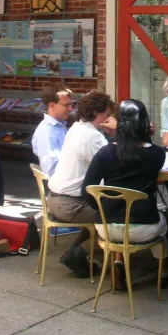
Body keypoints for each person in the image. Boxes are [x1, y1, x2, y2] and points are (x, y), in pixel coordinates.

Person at [82, 99, 168, 290]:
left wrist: (102, 208)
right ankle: (162, 271)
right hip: (143, 226)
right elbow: (145, 152)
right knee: (164, 218)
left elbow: (86, 189)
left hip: (108, 226)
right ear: (145, 123)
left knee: (122, 218)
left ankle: (118, 262)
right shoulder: (157, 154)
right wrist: (148, 137)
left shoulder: (106, 152)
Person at [47, 90, 115, 275]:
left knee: (97, 212)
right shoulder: (93, 137)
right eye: (107, 113)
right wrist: (117, 133)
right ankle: (78, 253)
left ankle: (74, 253)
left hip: (55, 199)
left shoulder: (77, 127)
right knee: (114, 221)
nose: (109, 116)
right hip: (71, 204)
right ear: (99, 113)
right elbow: (112, 166)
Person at [32, 86, 73, 177]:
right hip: (60, 185)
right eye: (66, 105)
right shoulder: (46, 133)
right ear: (52, 105)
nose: (70, 109)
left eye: (71, 104)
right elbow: (50, 171)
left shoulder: (59, 125)